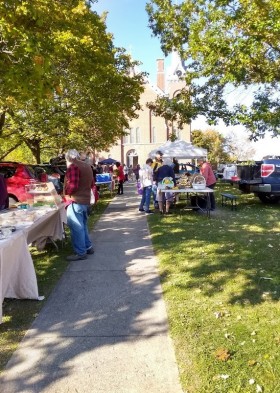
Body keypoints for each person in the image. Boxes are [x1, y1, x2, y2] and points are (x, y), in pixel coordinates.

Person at [64, 149, 95, 261]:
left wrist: (66, 194)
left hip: (76, 201)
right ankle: (88, 247)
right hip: (85, 200)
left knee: (76, 227)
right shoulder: (87, 166)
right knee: (83, 226)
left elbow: (73, 186)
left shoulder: (73, 166)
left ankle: (81, 252)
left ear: (68, 158)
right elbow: (92, 184)